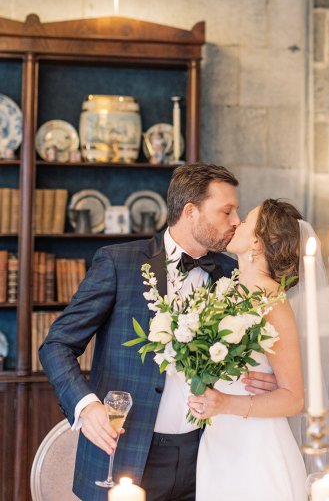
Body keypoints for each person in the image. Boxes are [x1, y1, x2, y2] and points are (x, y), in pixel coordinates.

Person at [39, 163, 278, 501]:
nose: (236, 220)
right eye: (226, 210)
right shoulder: (118, 263)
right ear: (191, 211)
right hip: (126, 452)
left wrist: (262, 379)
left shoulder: (232, 274)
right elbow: (56, 345)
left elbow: (249, 352)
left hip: (208, 454)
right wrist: (85, 405)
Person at [188, 199, 315, 501]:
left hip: (257, 451)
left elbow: (294, 398)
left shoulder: (270, 298)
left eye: (244, 220)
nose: (235, 223)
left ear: (256, 243)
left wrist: (225, 403)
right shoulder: (231, 288)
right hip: (220, 441)